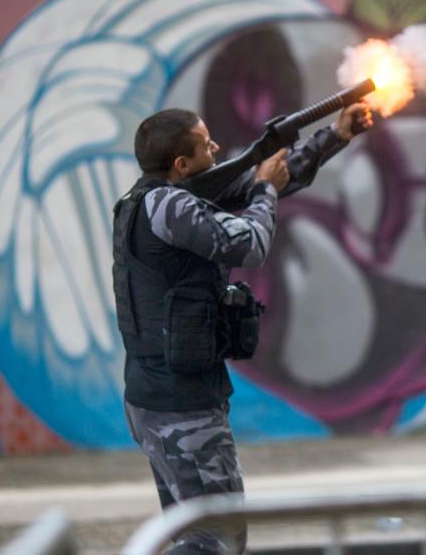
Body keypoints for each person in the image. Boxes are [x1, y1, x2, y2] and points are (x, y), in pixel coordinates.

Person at [113, 103, 372, 554]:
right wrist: (264, 192)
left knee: (196, 535)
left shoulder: (148, 202)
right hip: (183, 406)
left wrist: (335, 135)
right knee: (218, 538)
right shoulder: (171, 206)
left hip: (157, 398)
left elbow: (268, 177)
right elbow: (248, 242)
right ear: (182, 164)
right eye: (205, 143)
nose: (215, 147)